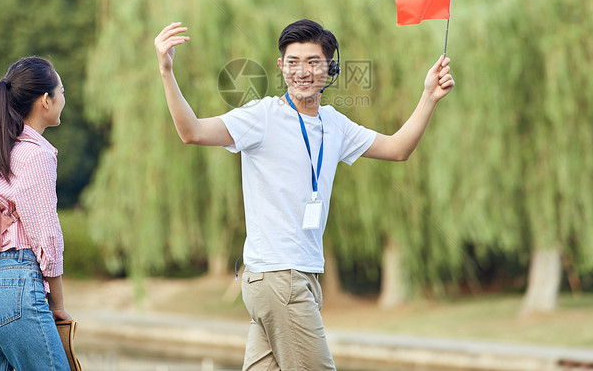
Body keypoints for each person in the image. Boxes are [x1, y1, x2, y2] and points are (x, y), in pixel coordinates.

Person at [154, 19, 455, 370]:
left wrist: (429, 96)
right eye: (293, 62)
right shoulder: (262, 116)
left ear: (330, 68)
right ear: (281, 67)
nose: (302, 71)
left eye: (313, 62)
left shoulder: (335, 124)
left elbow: (398, 148)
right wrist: (166, 70)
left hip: (298, 276)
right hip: (280, 276)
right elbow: (192, 131)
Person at [0, 56, 71, 371]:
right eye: (61, 91)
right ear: (45, 101)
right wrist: (57, 304)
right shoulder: (35, 154)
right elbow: (46, 234)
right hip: (14, 286)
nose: (64, 98)